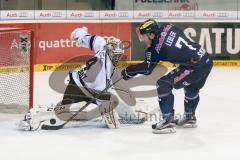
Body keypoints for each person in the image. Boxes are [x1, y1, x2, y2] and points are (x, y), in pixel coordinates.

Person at [18, 27, 144, 131]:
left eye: (119, 54)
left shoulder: (101, 45)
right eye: (115, 54)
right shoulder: (103, 69)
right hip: (78, 88)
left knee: (110, 103)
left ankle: (130, 116)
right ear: (109, 50)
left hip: (85, 86)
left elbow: (84, 37)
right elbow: (100, 93)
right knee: (64, 113)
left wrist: (81, 32)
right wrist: (107, 111)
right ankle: (36, 113)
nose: (117, 57)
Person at [121, 19, 213, 134]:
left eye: (144, 36)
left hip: (194, 67)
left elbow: (147, 69)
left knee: (163, 84)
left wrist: (129, 71)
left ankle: (167, 121)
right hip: (206, 58)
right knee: (191, 87)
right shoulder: (167, 26)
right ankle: (190, 117)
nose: (142, 40)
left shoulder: (154, 50)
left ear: (152, 34)